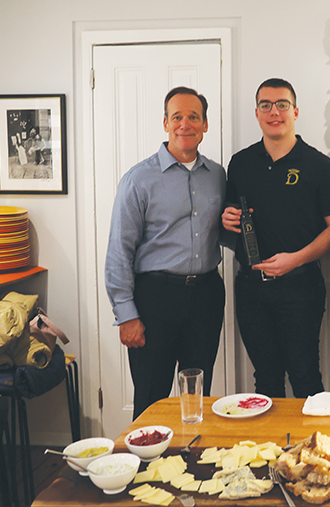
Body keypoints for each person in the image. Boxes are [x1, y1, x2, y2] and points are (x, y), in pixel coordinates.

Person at [105, 86, 226, 419]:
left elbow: (224, 232)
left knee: (197, 397)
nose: (184, 124)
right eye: (177, 117)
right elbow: (119, 251)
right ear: (165, 123)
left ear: (205, 125)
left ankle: (192, 468)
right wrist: (126, 315)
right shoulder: (138, 180)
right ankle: (146, 470)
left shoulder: (217, 176)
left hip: (206, 297)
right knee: (151, 397)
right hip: (155, 299)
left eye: (193, 117)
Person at [221, 78, 330, 398]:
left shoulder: (320, 167)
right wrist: (227, 216)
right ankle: (269, 450)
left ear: (296, 111)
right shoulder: (240, 163)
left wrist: (295, 260)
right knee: (265, 380)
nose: (274, 112)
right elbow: (231, 215)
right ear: (257, 113)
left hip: (301, 288)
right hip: (251, 290)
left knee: (305, 377)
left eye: (282, 105)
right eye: (266, 105)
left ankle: (314, 448)